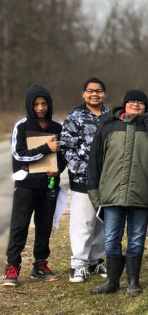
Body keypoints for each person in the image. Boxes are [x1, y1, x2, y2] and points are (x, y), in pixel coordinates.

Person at [87, 90, 148, 296]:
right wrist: (96, 196)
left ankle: (133, 281)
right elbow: (94, 163)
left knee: (136, 239)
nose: (135, 105)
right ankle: (112, 282)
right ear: (124, 104)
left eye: (140, 102)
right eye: (131, 102)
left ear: (146, 106)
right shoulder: (108, 126)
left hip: (140, 196)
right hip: (112, 196)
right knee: (111, 239)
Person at [3, 85, 65, 286]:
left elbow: (63, 156)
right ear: (29, 105)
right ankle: (12, 267)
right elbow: (19, 154)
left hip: (49, 185)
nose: (40, 107)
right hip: (25, 185)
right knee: (19, 226)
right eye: (36, 104)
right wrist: (45, 148)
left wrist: (57, 169)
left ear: (49, 104)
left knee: (44, 226)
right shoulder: (21, 126)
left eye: (44, 103)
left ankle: (40, 265)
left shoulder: (57, 127)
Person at [61, 77, 110, 283]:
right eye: (90, 91)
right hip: (82, 180)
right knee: (84, 222)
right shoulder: (75, 117)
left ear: (104, 94)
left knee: (101, 222)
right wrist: (82, 171)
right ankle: (78, 264)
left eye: (98, 91)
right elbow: (66, 148)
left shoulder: (110, 116)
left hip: (107, 180)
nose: (94, 94)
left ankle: (95, 260)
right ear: (84, 94)